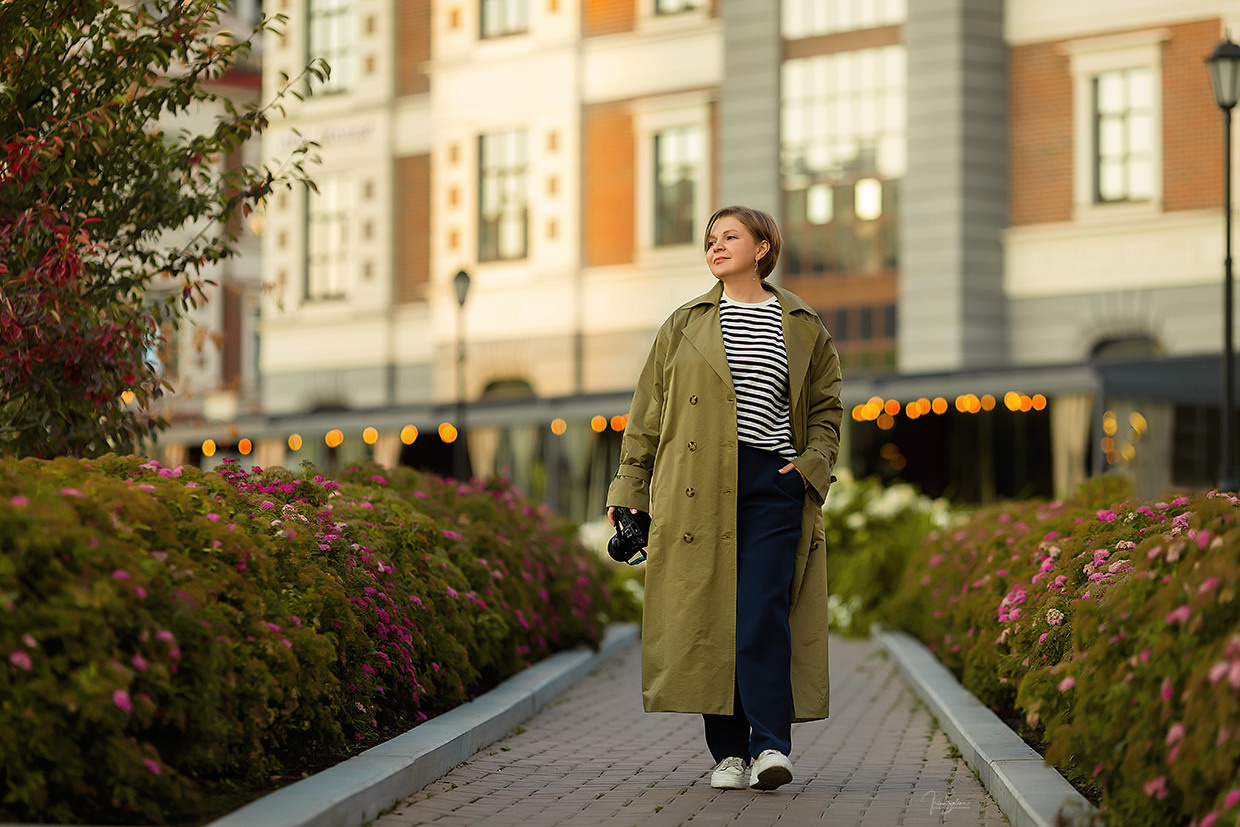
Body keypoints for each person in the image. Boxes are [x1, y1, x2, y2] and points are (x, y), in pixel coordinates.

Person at [606, 205, 843, 792]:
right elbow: (647, 417)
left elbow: (827, 410)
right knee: (711, 613)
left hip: (773, 482)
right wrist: (630, 489)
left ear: (763, 247)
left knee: (761, 612)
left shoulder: (802, 323)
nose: (714, 246)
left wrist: (809, 467)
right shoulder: (683, 324)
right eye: (709, 239)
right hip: (695, 486)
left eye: (729, 236)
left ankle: (770, 746)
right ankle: (728, 754)